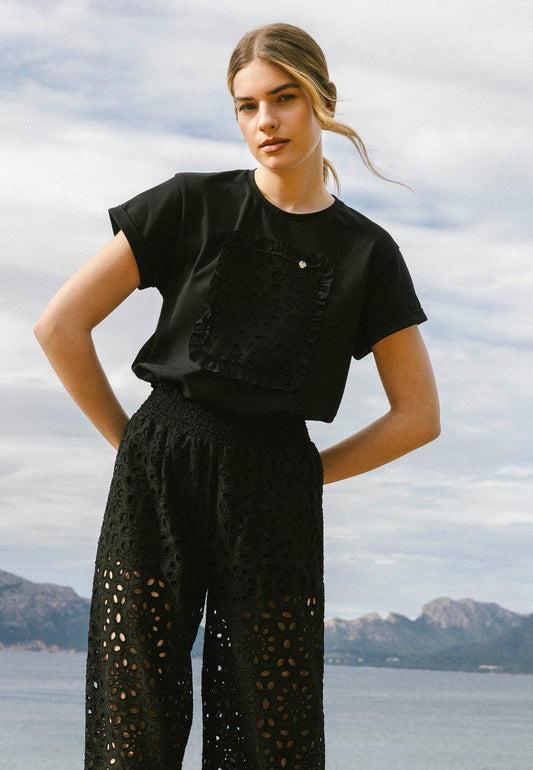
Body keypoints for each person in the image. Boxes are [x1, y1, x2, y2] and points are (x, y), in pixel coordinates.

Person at [34, 22, 440, 770]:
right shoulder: (191, 204)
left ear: (322, 100)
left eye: (283, 99)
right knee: (133, 722)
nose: (265, 122)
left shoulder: (367, 252)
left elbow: (418, 416)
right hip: (158, 475)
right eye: (246, 106)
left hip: (276, 494)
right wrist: (132, 446)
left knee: (272, 729)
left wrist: (308, 474)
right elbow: (60, 326)